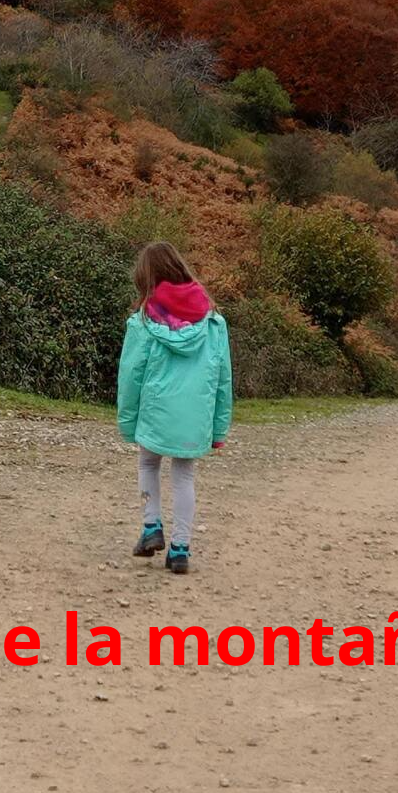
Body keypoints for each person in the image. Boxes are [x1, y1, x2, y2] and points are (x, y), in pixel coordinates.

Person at [116, 241, 232, 574]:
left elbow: (130, 376)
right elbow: (223, 378)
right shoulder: (213, 322)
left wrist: (128, 422)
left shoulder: (142, 321)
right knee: (184, 477)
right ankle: (180, 549)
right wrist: (219, 427)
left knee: (148, 463)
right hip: (194, 416)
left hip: (155, 412)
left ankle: (151, 527)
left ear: (146, 277)